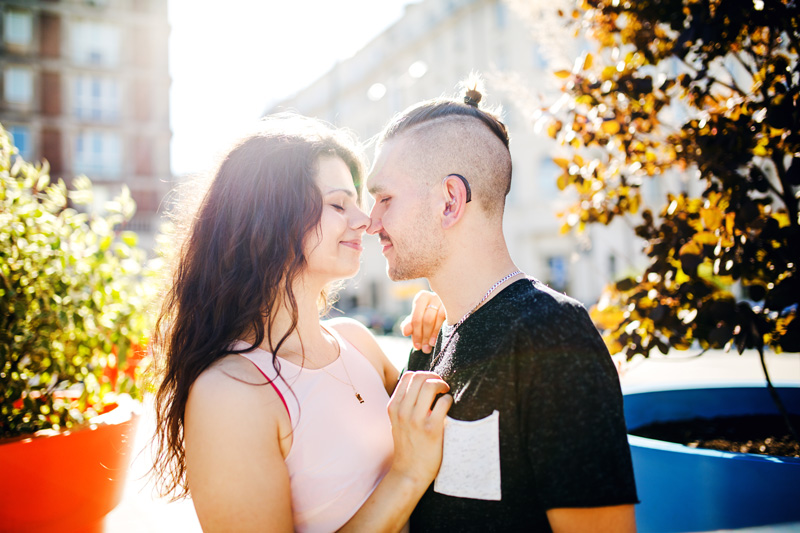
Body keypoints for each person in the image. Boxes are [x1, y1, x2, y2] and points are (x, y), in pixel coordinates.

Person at [150, 114, 452, 532]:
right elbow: (413, 461)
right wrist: (407, 475)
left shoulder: (357, 342)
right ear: (269, 219)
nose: (365, 220)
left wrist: (438, 333)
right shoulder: (231, 392)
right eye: (337, 204)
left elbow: (428, 422)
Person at [367, 77, 639, 532]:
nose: (371, 221)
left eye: (385, 198)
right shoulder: (432, 341)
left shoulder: (552, 333)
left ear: (450, 201)